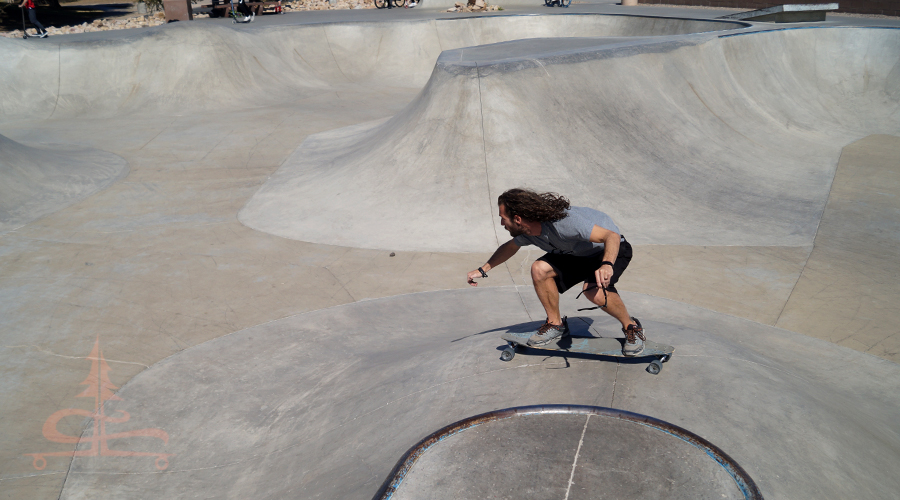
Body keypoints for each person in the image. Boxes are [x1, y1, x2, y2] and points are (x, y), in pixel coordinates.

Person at [467, 188, 646, 355]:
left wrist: (606, 264)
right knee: (539, 269)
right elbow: (510, 247)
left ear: (518, 218)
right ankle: (555, 325)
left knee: (594, 292)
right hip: (577, 254)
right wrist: (483, 269)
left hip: (610, 249)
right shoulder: (527, 232)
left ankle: (632, 327)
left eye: (503, 218)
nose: (501, 223)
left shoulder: (564, 223)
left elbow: (611, 236)